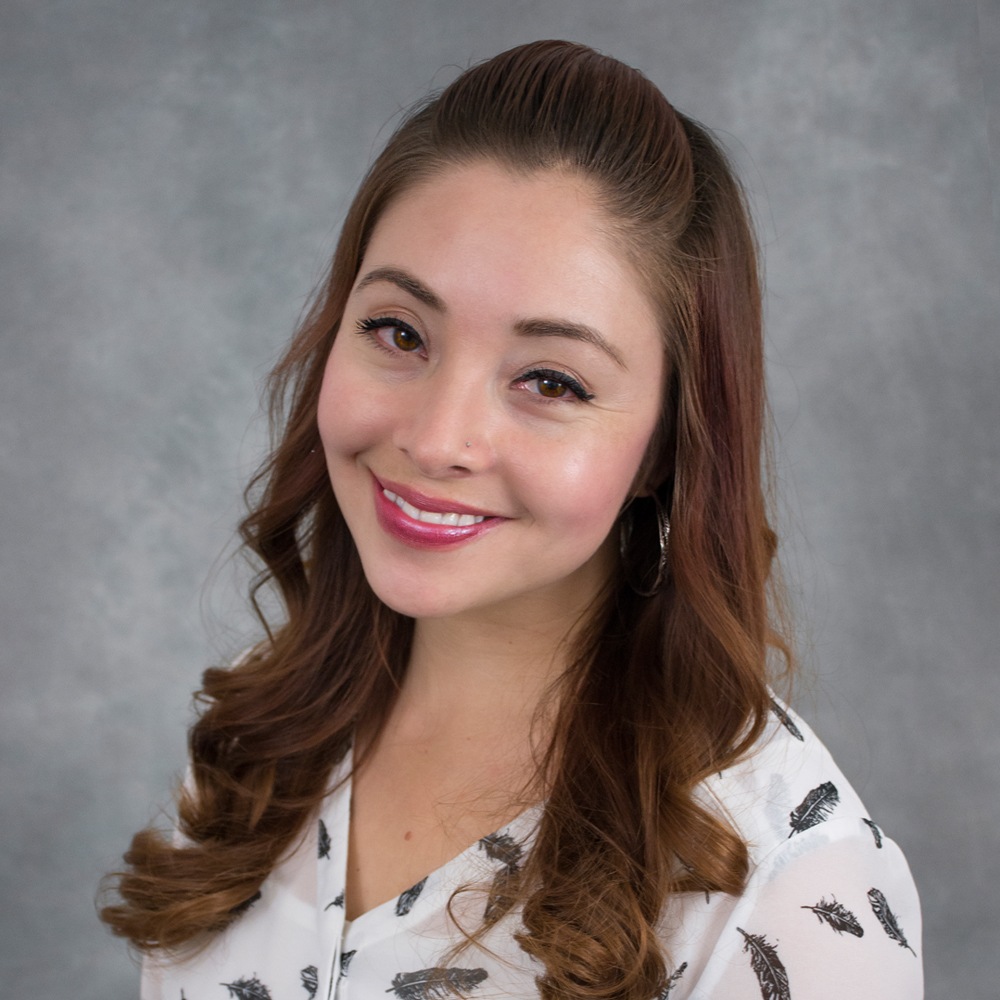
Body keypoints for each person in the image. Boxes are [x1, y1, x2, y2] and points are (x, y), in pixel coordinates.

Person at [101, 40, 922, 1000]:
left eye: (550, 381)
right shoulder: (261, 739)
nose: (438, 438)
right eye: (399, 332)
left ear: (666, 448)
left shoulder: (789, 896)